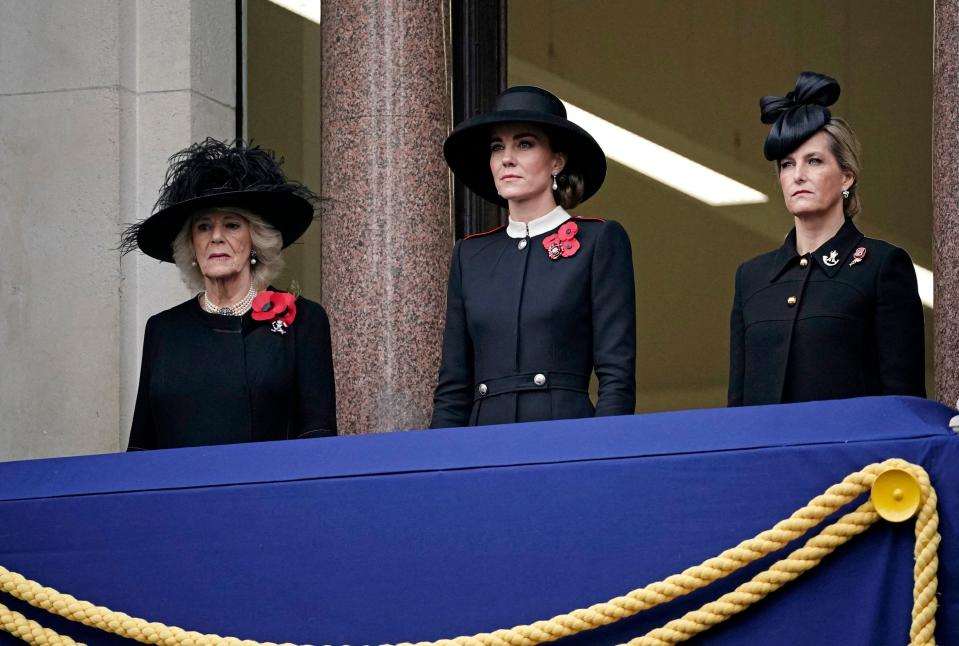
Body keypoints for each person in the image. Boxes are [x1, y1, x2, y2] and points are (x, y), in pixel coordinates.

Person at [431, 86, 636, 428]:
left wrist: (602, 453)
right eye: (498, 147)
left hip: (565, 437)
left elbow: (616, 377)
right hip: (483, 444)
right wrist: (440, 468)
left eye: (524, 144)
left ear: (557, 160)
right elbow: (453, 389)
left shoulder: (598, 240)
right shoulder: (470, 255)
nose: (506, 158)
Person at [121, 138, 336, 448]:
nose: (217, 237)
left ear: (255, 241)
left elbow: (319, 440)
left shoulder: (304, 321)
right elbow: (141, 447)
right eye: (203, 227)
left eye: (232, 225)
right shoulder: (164, 330)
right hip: (181, 493)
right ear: (191, 246)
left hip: (266, 492)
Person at [728, 71, 925, 406]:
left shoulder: (881, 266)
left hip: (853, 458)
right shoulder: (752, 277)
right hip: (768, 457)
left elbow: (903, 403)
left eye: (814, 161)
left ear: (846, 176)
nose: (798, 175)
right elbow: (738, 405)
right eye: (787, 165)